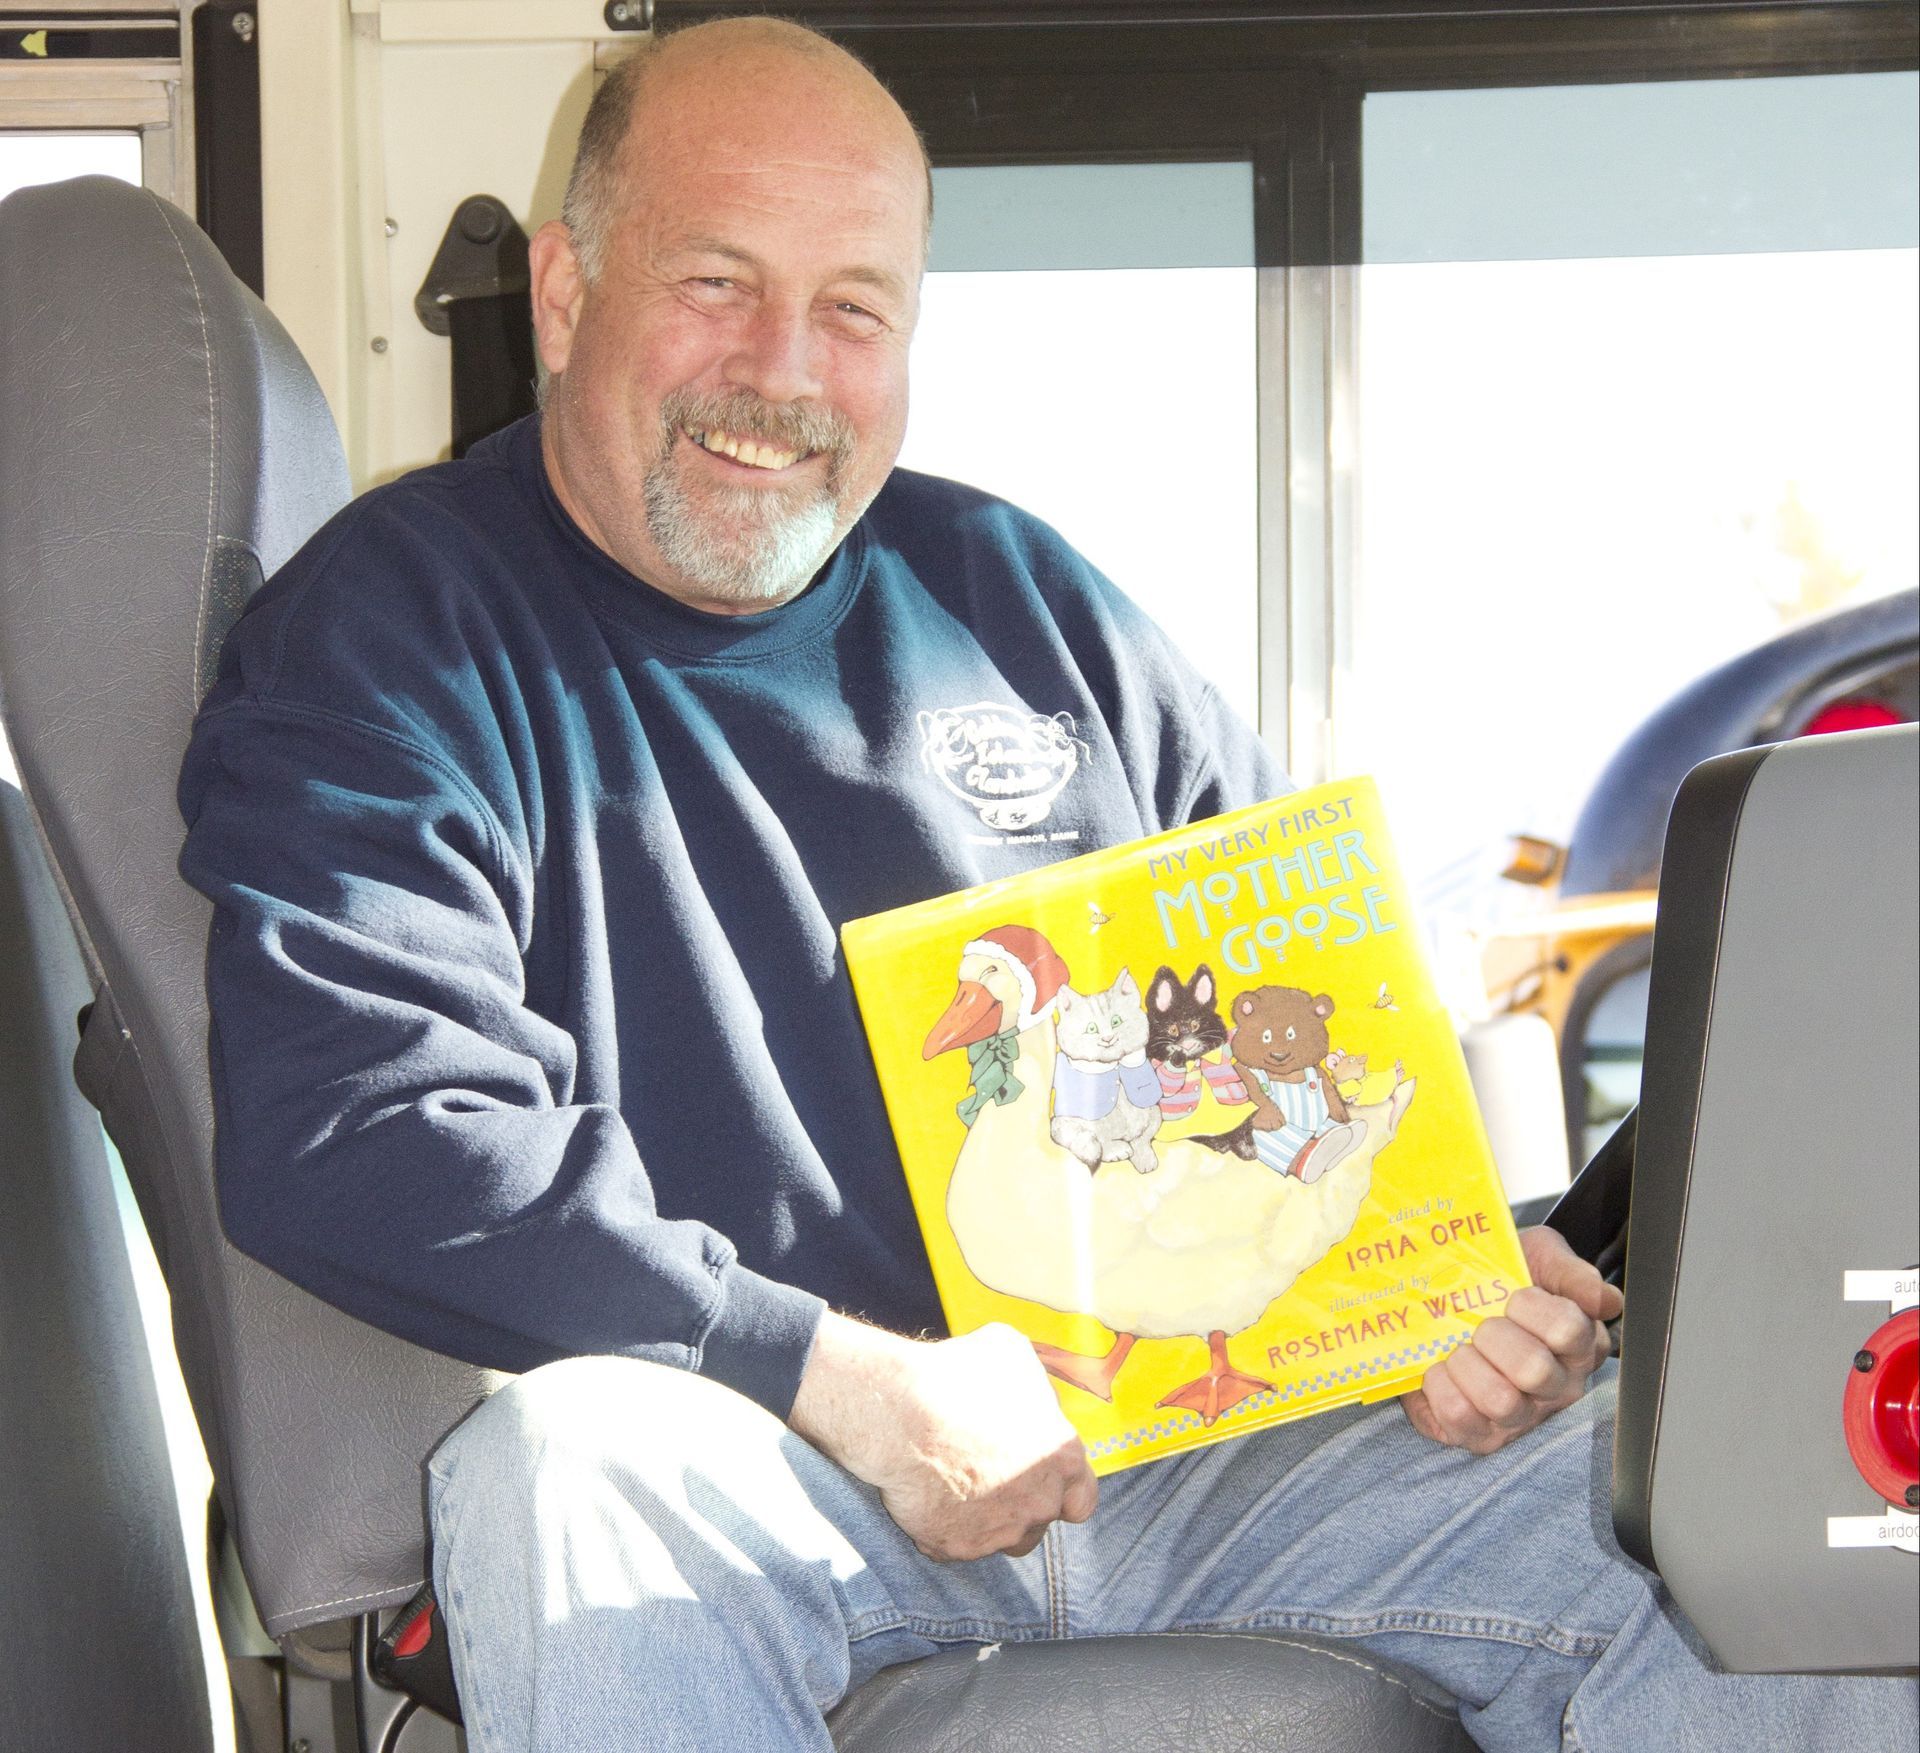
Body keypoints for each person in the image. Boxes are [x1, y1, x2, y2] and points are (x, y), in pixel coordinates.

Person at [177, 19, 1917, 1751]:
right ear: (565, 292)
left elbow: (1288, 1041)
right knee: (564, 1475)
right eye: (716, 282)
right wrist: (837, 1376)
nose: (784, 370)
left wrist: (1440, 1289)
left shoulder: (1027, 603)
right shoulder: (386, 643)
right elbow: (366, 1127)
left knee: (1782, 1517)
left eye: (855, 308)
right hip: (766, 1456)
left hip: (1197, 1450)